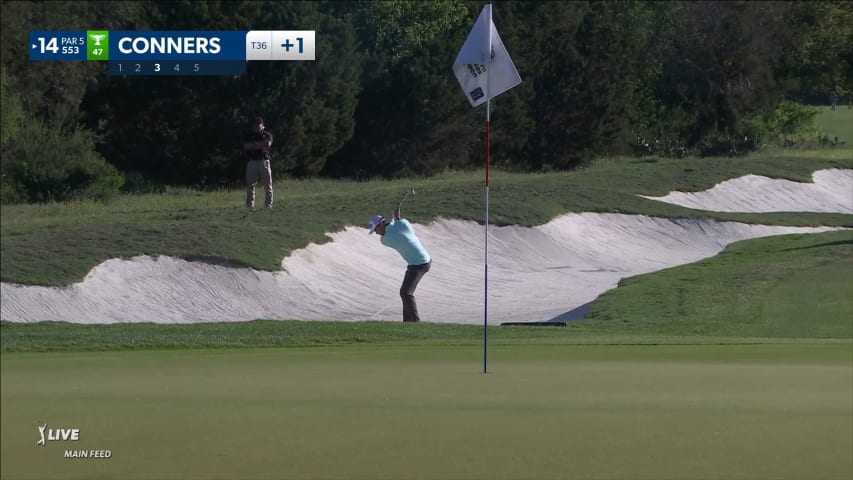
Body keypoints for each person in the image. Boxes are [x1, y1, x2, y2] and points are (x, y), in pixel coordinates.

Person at [369, 208, 432, 322]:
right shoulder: (404, 224)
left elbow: (394, 232)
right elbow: (398, 226)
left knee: (406, 293)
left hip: (420, 263)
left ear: (382, 223)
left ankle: (415, 322)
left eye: (376, 229)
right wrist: (396, 218)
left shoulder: (385, 239)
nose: (376, 233)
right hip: (420, 261)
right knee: (404, 292)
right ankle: (407, 322)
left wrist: (395, 219)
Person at [243, 116, 274, 209]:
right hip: (252, 162)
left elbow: (268, 144)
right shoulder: (249, 135)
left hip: (263, 161)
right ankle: (250, 205)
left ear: (263, 126)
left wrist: (256, 145)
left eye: (258, 125)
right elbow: (246, 146)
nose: (257, 127)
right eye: (255, 125)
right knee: (250, 185)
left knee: (268, 185)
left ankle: (268, 205)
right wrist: (260, 144)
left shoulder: (267, 135)